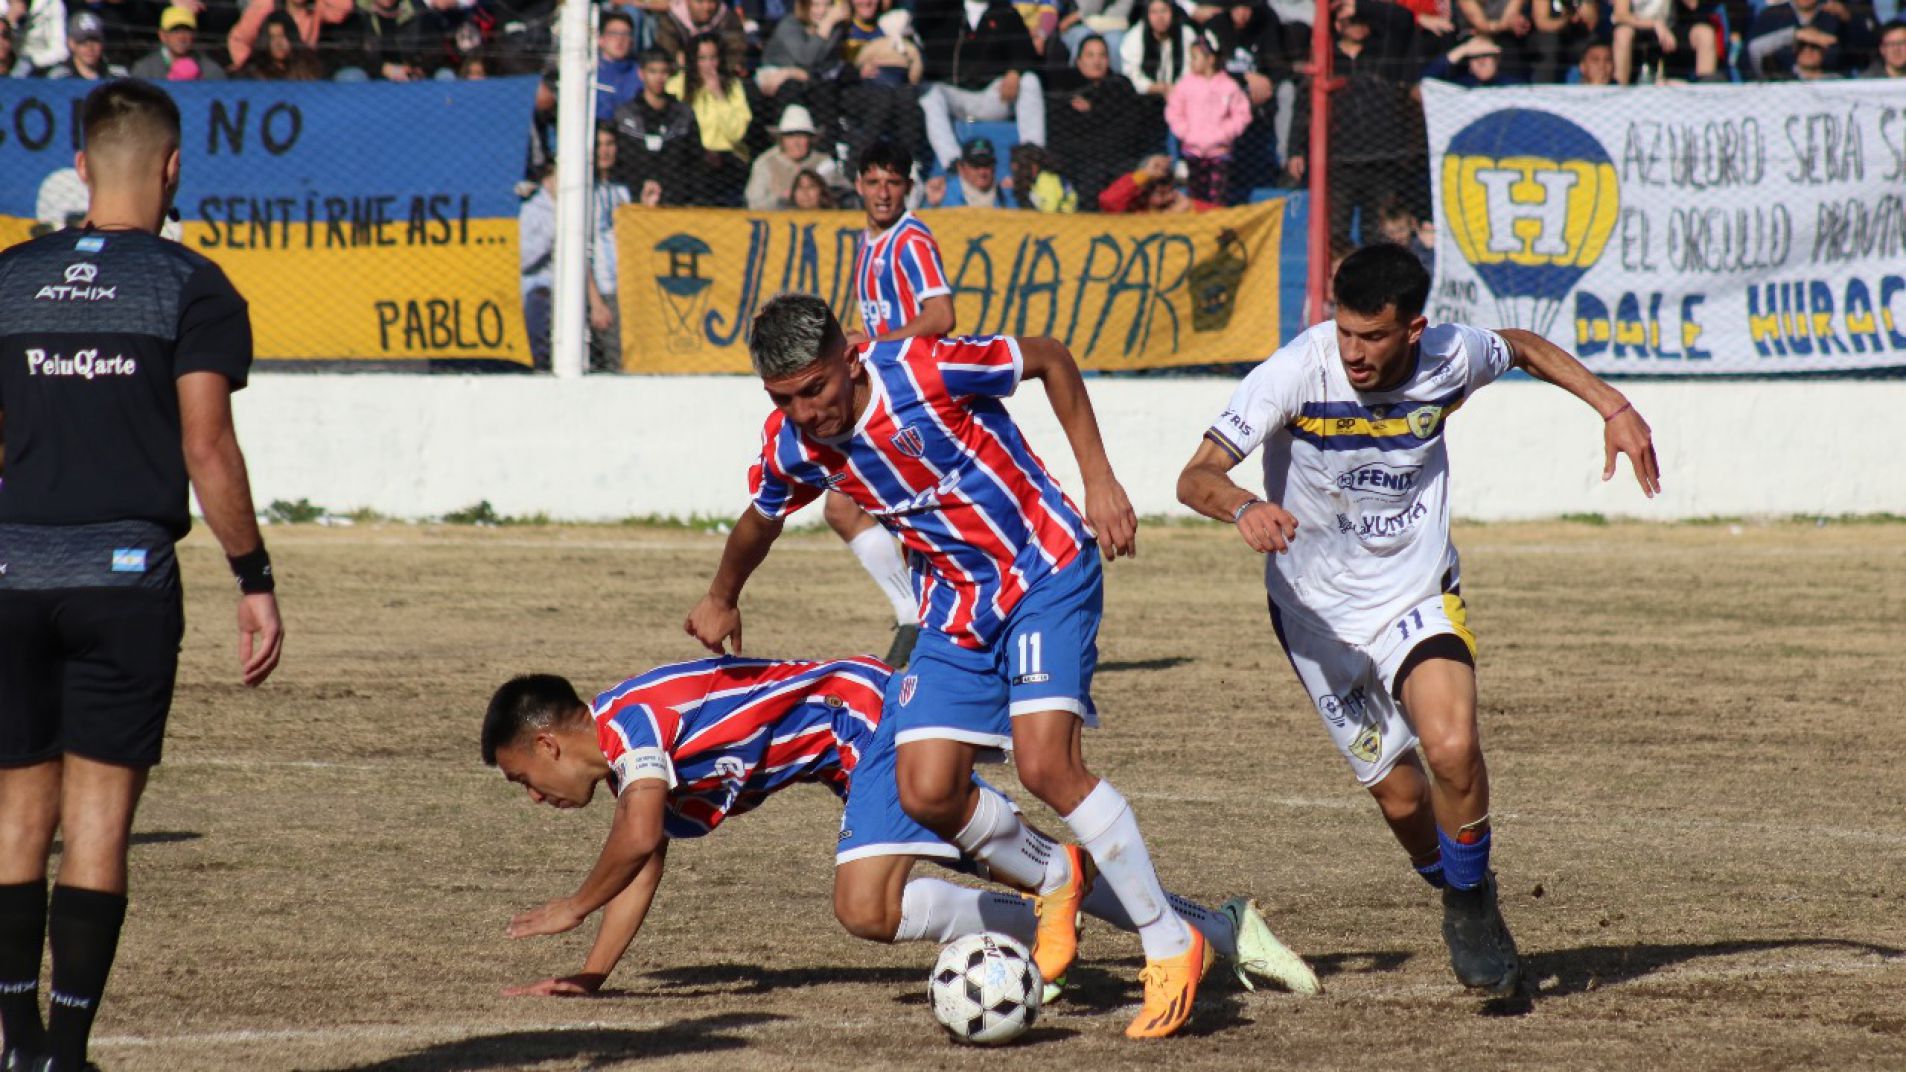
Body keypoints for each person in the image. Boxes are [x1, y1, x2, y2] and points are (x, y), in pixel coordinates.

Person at [684, 292, 1217, 1039]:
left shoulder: (926, 370)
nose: (806, 411)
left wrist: (1099, 480)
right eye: (785, 398)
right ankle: (1055, 874)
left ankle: (1170, 940)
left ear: (850, 356)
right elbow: (761, 517)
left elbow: (1051, 358)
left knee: (1047, 767)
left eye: (815, 389)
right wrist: (721, 595)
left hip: (1044, 569)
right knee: (928, 789)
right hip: (955, 607)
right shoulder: (794, 444)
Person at [1174, 243, 1661, 999]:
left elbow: (1524, 347)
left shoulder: (1450, 356)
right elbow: (1194, 475)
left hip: (1415, 594)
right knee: (1403, 799)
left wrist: (1615, 407)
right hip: (1316, 616)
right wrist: (1243, 505)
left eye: (1373, 337)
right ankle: (1453, 881)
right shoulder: (1295, 373)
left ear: (1414, 329)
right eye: (1345, 334)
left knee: (1454, 746)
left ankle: (1472, 906)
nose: (1355, 353)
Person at [486, 660, 1317, 1000]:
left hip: (872, 720)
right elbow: (648, 855)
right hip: (854, 750)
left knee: (866, 909)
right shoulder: (638, 766)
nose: (536, 798)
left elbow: (631, 840)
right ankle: (1208, 928)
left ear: (549, 742)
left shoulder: (631, 723)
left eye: (526, 779)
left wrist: (572, 907)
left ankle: (1068, 888)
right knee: (996, 869)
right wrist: (596, 973)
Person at [0, 79, 285, 1072]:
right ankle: (65, 1052)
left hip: (12, 569)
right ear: (172, 169)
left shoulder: (11, 275)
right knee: (99, 822)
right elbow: (208, 449)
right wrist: (254, 578)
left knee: (15, 818)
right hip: (124, 578)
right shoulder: (192, 285)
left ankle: (17, 1044)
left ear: (79, 168)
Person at [916, 0, 1047, 174]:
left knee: (1030, 81)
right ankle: (953, 162)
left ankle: (1032, 155)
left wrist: (1016, 71)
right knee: (928, 93)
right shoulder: (945, 10)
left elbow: (1025, 51)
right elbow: (920, 23)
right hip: (955, 97)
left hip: (995, 97)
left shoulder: (1006, 12)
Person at [1044, 33, 1154, 211]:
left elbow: (1130, 132)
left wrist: (1092, 113)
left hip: (1119, 160)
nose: (1097, 61)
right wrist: (1102, 119)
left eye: (1102, 55)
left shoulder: (1121, 87)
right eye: (1090, 55)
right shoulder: (1065, 90)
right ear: (1078, 61)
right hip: (1079, 165)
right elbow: (1061, 138)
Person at [1166, 30, 1250, 207]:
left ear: (1210, 60)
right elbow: (1174, 112)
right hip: (1193, 152)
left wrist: (1225, 133)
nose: (1191, 62)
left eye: (1195, 57)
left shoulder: (1229, 86)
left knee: (1217, 197)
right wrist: (1186, 132)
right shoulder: (1185, 85)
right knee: (1195, 197)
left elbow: (1242, 114)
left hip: (1219, 154)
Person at [667, 32, 752, 206]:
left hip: (729, 157)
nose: (708, 65)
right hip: (690, 158)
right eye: (702, 58)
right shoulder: (676, 86)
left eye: (713, 58)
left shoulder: (734, 87)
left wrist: (719, 95)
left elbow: (736, 133)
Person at [609, 48, 702, 205]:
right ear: (641, 73)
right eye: (653, 72)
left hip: (675, 200)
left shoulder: (684, 115)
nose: (659, 78)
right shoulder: (624, 115)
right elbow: (619, 161)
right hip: (632, 199)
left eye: (664, 72)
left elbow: (694, 160)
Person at [745, 104, 848, 211]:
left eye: (802, 135)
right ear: (781, 139)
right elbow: (753, 204)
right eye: (790, 136)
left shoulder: (823, 162)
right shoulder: (766, 163)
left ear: (811, 139)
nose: (796, 142)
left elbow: (843, 193)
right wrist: (780, 199)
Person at [589, 125, 633, 374]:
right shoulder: (584, 193)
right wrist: (595, 301)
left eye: (609, 144)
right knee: (617, 362)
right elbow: (581, 250)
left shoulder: (622, 190)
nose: (604, 151)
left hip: (627, 290)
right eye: (599, 145)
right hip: (603, 289)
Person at [226, 0, 352, 73]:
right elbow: (238, 39)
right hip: (268, 72)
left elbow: (343, 8)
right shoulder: (266, 5)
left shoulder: (316, 7)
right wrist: (251, 67)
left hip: (301, 72)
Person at [518, 162, 557, 370]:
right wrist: (549, 237)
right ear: (547, 180)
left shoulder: (577, 206)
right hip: (537, 285)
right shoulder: (531, 209)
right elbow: (521, 260)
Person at [130, 6, 229, 80]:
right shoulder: (145, 70)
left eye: (187, 30)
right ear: (162, 35)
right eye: (175, 30)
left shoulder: (211, 71)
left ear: (195, 34)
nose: (181, 37)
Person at [1098, 152, 1216, 212]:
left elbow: (1225, 217)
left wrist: (1190, 208)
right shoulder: (1135, 209)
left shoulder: (1187, 207)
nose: (1161, 188)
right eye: (1153, 183)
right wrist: (1145, 174)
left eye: (1166, 181)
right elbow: (1107, 201)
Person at [928, 137, 1018, 209]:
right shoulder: (942, 196)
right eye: (976, 166)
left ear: (994, 166)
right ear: (961, 168)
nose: (982, 172)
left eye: (987, 165)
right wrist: (935, 207)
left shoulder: (1008, 195)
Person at [233, 11, 326, 79]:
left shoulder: (308, 66)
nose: (278, 43)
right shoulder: (253, 70)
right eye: (272, 38)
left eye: (282, 37)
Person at [43, 12, 128, 78]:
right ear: (71, 43)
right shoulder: (59, 77)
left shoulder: (117, 77)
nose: (90, 48)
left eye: (95, 40)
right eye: (82, 42)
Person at [595, 11, 643, 121]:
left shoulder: (640, 73)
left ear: (632, 41)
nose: (620, 40)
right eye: (613, 34)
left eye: (626, 34)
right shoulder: (589, 71)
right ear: (600, 39)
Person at [1009, 142, 1076, 212]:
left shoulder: (1046, 180)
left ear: (1034, 167)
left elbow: (1050, 209)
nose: (1016, 172)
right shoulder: (1034, 180)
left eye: (1020, 167)